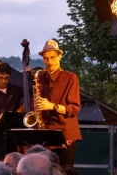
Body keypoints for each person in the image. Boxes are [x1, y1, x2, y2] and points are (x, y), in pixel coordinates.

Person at [26, 40, 81, 168]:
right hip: (45, 134)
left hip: (65, 135)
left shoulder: (70, 78)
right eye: (45, 58)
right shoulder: (39, 77)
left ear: (59, 57)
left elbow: (74, 109)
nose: (49, 62)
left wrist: (51, 106)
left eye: (52, 58)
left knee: (65, 171)